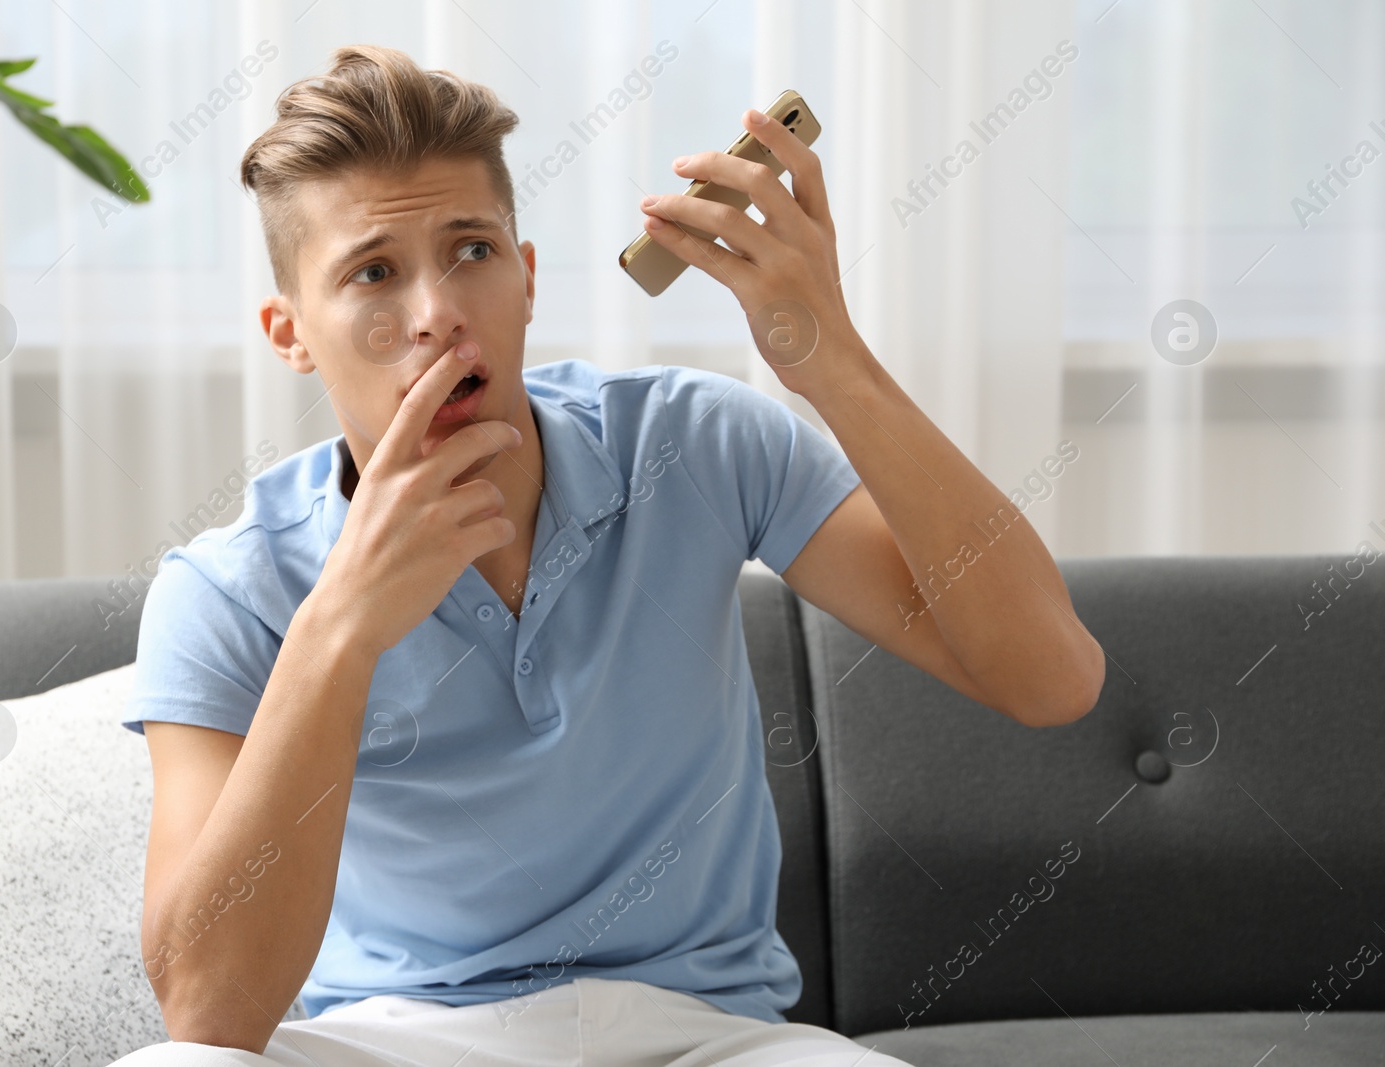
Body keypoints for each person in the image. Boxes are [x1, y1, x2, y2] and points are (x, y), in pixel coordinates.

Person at [108, 43, 1104, 1067]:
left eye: (471, 250)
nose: (436, 311)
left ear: (527, 279)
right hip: (389, 1043)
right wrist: (340, 628)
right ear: (292, 334)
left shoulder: (697, 442)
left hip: (705, 1036)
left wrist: (828, 355)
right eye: (371, 272)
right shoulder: (225, 588)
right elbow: (207, 1009)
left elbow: (1052, 677)